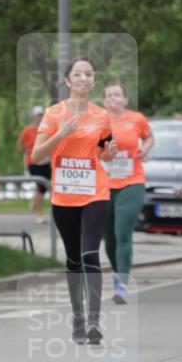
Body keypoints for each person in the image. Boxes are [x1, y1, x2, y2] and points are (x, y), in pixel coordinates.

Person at [30, 57, 117, 346]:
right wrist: (61, 133)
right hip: (64, 195)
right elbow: (36, 154)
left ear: (94, 81)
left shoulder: (102, 116)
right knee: (73, 259)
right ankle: (77, 318)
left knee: (90, 253)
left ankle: (94, 322)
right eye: (77, 74)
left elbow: (104, 151)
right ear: (68, 80)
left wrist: (109, 153)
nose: (83, 78)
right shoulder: (54, 113)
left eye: (88, 74)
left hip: (96, 192)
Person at [102, 84, 154, 303]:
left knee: (122, 232)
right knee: (109, 238)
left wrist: (145, 148)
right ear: (104, 101)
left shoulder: (136, 119)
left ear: (125, 99)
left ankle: (122, 284)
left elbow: (149, 137)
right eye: (109, 95)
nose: (114, 98)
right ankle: (118, 274)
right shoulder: (98, 120)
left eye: (118, 95)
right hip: (104, 185)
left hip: (132, 182)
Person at [18, 106, 51, 222]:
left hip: (46, 162)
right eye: (38, 116)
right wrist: (27, 151)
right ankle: (39, 214)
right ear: (33, 117)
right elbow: (20, 145)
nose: (40, 118)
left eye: (41, 115)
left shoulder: (47, 129)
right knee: (40, 188)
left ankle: (34, 202)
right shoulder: (28, 130)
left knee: (44, 188)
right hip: (33, 162)